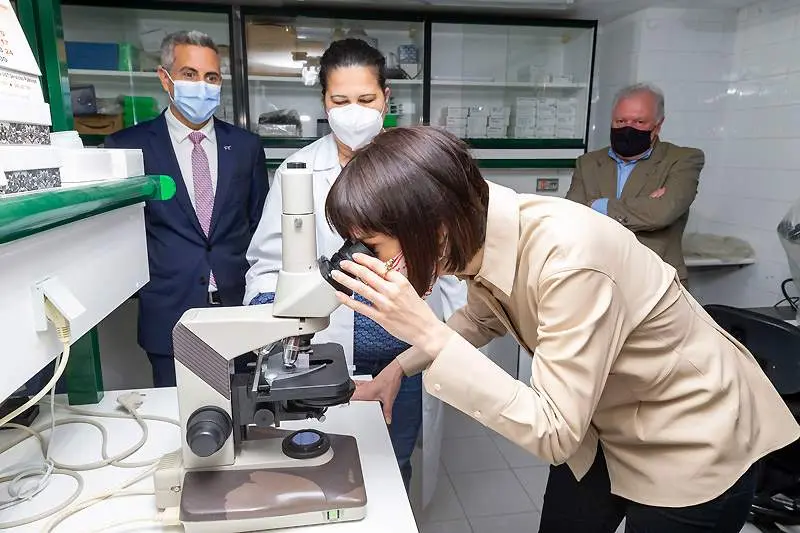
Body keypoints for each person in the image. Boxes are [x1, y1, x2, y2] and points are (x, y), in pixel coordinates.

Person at [323, 125, 800, 533]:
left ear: (434, 225)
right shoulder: (481, 237)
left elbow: (553, 431)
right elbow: (480, 317)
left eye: (373, 246)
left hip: (691, 435)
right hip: (602, 421)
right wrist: (396, 371)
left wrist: (430, 334)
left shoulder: (570, 259)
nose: (371, 262)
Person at [244, 38, 465, 492]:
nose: (353, 111)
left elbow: (453, 271)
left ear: (386, 96)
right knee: (325, 465)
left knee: (394, 464)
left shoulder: (418, 169)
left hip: (406, 360)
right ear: (324, 103)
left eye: (365, 99)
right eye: (339, 100)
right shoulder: (296, 171)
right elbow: (266, 267)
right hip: (326, 357)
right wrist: (278, 314)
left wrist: (451, 340)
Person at [105, 31, 268, 387]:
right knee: (182, 421)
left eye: (210, 77)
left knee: (243, 418)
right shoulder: (128, 148)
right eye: (189, 74)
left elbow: (259, 227)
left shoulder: (245, 147)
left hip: (237, 311)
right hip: (170, 313)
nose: (201, 85)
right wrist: (149, 288)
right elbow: (121, 238)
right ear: (166, 79)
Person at [566, 83, 703, 286]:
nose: (627, 128)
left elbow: (661, 213)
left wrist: (597, 206)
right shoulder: (588, 162)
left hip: (656, 281)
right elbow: (571, 216)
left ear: (658, 125)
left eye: (639, 122)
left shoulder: (683, 159)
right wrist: (643, 205)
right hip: (596, 278)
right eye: (620, 120)